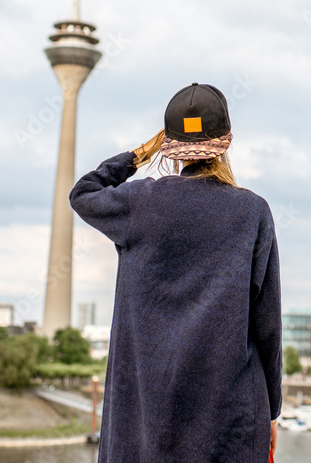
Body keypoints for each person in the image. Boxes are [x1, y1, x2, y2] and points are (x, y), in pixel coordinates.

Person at [69, 82, 282, 462]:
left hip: (144, 418)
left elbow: (84, 193)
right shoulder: (253, 212)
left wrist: (137, 155)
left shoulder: (139, 203)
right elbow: (267, 326)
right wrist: (272, 410)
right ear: (225, 143)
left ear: (170, 147)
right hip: (229, 417)